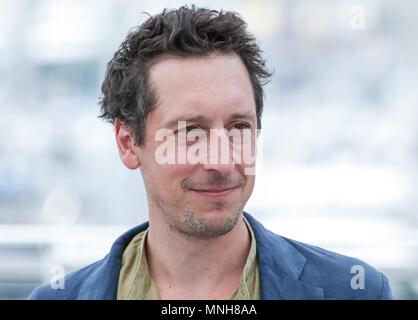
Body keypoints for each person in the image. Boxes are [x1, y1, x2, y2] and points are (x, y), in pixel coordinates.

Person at [28, 5, 392, 300]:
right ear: (127, 142)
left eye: (239, 128)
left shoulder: (354, 292)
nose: (221, 161)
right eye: (191, 132)